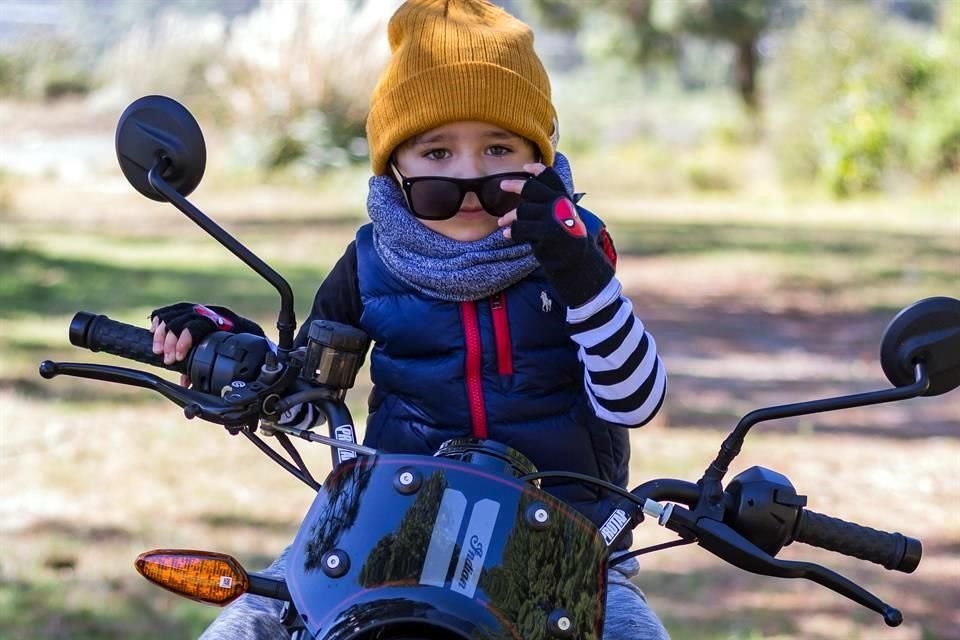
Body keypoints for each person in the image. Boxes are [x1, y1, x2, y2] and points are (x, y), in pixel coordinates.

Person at [149, 1, 669, 638]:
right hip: (385, 538)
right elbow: (311, 399)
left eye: (499, 148)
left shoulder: (575, 245)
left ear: (539, 155)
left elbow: (634, 399)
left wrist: (579, 272)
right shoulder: (371, 261)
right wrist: (234, 357)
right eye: (437, 153)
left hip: (566, 546)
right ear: (396, 167)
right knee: (240, 628)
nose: (471, 178)